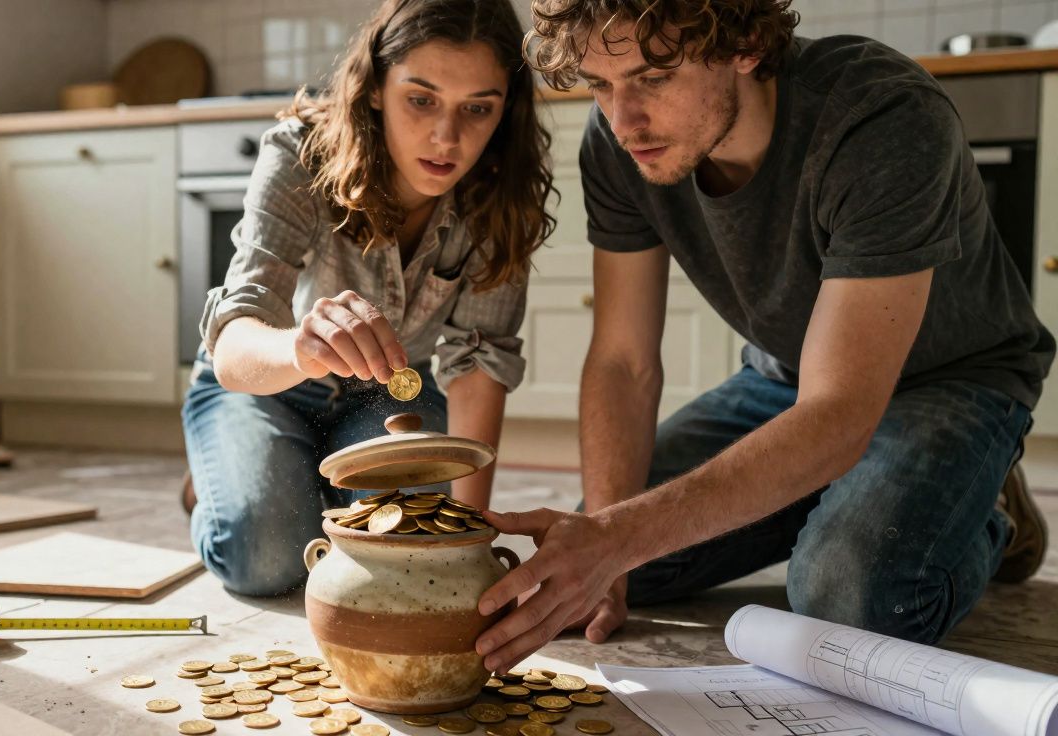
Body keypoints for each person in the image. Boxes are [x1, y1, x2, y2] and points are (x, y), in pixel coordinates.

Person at [474, 0, 1054, 670]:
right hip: (787, 379)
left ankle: (988, 511)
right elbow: (623, 361)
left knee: (848, 595)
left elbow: (839, 412)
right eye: (600, 85)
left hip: (951, 380)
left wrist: (616, 536)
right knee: (614, 554)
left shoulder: (881, 115)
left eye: (653, 78)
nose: (622, 120)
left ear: (746, 42)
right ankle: (831, 483)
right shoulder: (615, 145)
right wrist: (607, 539)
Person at [182, 0, 555, 597]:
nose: (447, 138)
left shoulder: (503, 198)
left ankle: (309, 477)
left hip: (391, 392)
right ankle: (220, 479)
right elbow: (234, 344)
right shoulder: (299, 154)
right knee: (267, 557)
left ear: (505, 110)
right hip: (267, 382)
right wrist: (303, 349)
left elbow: (479, 368)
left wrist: (467, 537)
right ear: (377, 87)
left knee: (414, 548)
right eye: (421, 98)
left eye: (477, 109)